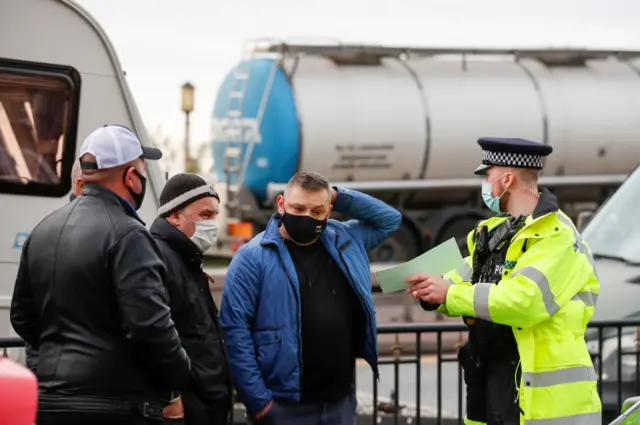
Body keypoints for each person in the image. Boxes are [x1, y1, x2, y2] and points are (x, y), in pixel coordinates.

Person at [407, 137, 601, 425]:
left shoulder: (556, 236)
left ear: (507, 179)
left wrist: (450, 294)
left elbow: (525, 301)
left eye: (488, 175)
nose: (485, 184)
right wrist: (431, 288)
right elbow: (461, 277)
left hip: (544, 405)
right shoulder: (493, 232)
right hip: (492, 389)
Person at [10, 125, 191, 425]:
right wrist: (182, 373)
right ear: (131, 177)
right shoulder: (129, 235)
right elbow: (150, 327)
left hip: (49, 405)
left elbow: (22, 317)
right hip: (114, 407)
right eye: (142, 169)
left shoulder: (43, 230)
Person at [220, 171, 401, 425]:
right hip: (284, 407)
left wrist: (339, 195)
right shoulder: (253, 257)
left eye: (317, 211)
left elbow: (390, 220)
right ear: (281, 205)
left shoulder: (344, 239)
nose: (307, 217)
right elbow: (235, 331)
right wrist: (259, 402)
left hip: (340, 402)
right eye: (298, 208)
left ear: (329, 210)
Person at [150, 174, 232, 425]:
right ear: (174, 216)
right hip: (187, 407)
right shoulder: (157, 258)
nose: (213, 225)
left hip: (205, 404)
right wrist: (171, 397)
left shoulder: (186, 258)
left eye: (216, 215)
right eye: (205, 215)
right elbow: (151, 335)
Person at [24, 158, 84, 373]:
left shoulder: (42, 230)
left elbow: (22, 313)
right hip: (85, 378)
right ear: (80, 185)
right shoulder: (113, 234)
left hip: (47, 366)